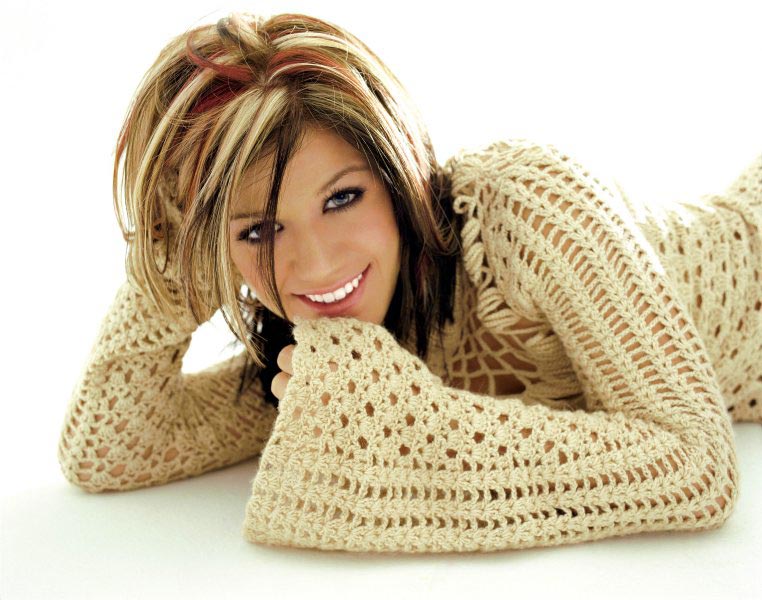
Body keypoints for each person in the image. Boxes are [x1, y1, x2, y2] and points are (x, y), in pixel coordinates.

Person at [57, 11, 761, 553]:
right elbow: (112, 447)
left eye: (342, 199)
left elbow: (697, 468)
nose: (317, 265)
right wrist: (175, 248)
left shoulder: (524, 206)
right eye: (260, 231)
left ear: (398, 177)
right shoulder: (337, 362)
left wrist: (410, 423)